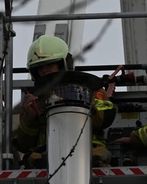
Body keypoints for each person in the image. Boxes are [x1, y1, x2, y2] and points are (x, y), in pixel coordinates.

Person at [12, 35, 116, 168]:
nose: (44, 70)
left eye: (49, 64)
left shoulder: (91, 89)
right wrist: (30, 120)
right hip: (46, 159)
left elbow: (106, 116)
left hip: (90, 155)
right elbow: (22, 144)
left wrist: (79, 103)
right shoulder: (34, 101)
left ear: (63, 63)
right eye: (39, 67)